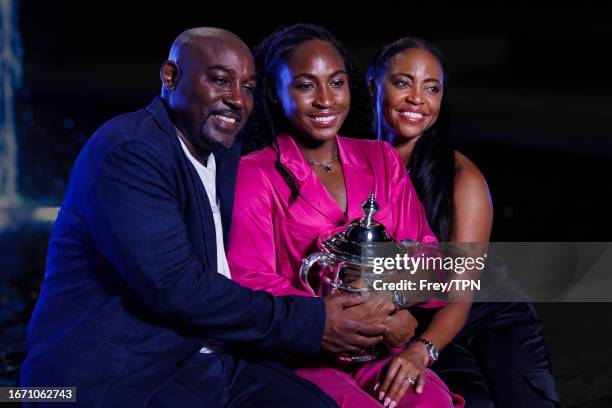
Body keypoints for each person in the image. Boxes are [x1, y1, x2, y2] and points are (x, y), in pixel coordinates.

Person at [20, 27, 389, 408]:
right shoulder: (131, 150)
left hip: (230, 355)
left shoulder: (381, 160)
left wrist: (400, 314)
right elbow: (187, 283)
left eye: (247, 87)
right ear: (170, 76)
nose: (236, 99)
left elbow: (441, 267)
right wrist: (319, 322)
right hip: (120, 374)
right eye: (219, 80)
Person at [227, 23, 464, 408]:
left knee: (429, 400)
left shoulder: (380, 159)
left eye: (336, 83)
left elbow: (430, 257)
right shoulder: (254, 174)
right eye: (305, 85)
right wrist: (335, 318)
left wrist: (391, 302)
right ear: (273, 91)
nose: (326, 100)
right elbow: (251, 281)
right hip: (300, 358)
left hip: (380, 352)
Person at [368, 36, 560, 407]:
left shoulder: (462, 180)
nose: (417, 99)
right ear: (373, 84)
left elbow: (460, 294)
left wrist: (421, 351)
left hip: (490, 317)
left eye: (432, 88)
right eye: (403, 82)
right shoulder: (353, 164)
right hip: (421, 321)